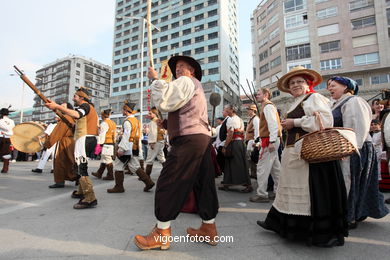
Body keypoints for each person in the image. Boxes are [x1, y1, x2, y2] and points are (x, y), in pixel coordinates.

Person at [134, 55, 219, 250]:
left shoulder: (186, 81)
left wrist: (155, 80)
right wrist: (164, 123)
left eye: (183, 66)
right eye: (177, 68)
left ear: (193, 71)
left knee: (169, 181)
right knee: (203, 183)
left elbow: (165, 101)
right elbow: (180, 111)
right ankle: (209, 228)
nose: (178, 70)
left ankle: (161, 233)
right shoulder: (193, 85)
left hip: (189, 139)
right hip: (200, 138)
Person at [258, 66, 348, 247]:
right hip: (294, 152)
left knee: (307, 192)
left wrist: (295, 122)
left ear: (308, 84)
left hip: (309, 154)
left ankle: (311, 232)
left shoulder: (314, 98)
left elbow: (325, 121)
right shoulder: (294, 102)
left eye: (300, 81)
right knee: (290, 189)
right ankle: (282, 225)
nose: (296, 85)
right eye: (292, 83)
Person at [327, 76, 389, 228]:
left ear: (347, 87)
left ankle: (350, 217)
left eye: (333, 85)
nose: (330, 88)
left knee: (350, 181)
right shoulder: (336, 104)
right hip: (343, 148)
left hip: (355, 147)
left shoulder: (353, 101)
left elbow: (356, 129)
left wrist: (349, 149)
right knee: (345, 181)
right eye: (329, 85)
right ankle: (351, 213)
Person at [45, 87, 98, 209]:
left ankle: (90, 198)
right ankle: (81, 191)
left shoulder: (85, 106)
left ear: (82, 98)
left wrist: (57, 106)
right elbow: (78, 120)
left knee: (81, 167)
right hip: (86, 138)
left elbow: (76, 114)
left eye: (75, 96)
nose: (73, 98)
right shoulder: (90, 108)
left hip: (84, 139)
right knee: (80, 165)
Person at [107, 101, 154, 193]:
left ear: (126, 110)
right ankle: (148, 182)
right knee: (134, 166)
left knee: (118, 165)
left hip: (127, 147)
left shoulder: (127, 121)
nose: (122, 111)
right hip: (133, 147)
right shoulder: (136, 120)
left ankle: (119, 187)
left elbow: (126, 136)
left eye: (123, 109)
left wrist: (121, 149)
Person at [250, 88, 282, 203]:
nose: (256, 96)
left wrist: (272, 141)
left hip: (269, 140)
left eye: (258, 94)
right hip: (271, 139)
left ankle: (262, 194)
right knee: (276, 169)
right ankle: (278, 192)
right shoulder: (268, 106)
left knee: (262, 168)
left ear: (266, 95)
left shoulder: (268, 107)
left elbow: (273, 124)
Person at [219, 104, 253, 193]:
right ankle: (227, 183)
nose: (225, 110)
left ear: (231, 110)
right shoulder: (239, 119)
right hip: (239, 143)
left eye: (226, 109)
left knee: (236, 163)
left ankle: (246, 184)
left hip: (234, 143)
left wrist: (225, 146)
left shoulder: (231, 119)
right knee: (235, 163)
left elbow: (230, 134)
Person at [42, 103, 77, 188]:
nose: (60, 108)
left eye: (63, 107)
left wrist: (47, 144)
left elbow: (57, 133)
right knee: (72, 161)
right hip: (72, 141)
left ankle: (60, 181)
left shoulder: (65, 119)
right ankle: (78, 178)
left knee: (60, 161)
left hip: (64, 142)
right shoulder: (74, 118)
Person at [92, 109, 117, 180]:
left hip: (106, 143)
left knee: (107, 159)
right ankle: (99, 173)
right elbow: (115, 135)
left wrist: (98, 145)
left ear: (103, 115)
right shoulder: (113, 123)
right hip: (111, 142)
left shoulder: (104, 123)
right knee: (104, 158)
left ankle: (110, 175)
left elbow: (102, 135)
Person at [144, 107, 166, 177]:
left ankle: (146, 177)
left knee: (150, 159)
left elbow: (153, 133)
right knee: (161, 158)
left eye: (150, 113)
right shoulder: (159, 120)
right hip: (160, 141)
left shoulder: (153, 122)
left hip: (155, 142)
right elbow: (164, 131)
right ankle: (169, 173)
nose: (149, 114)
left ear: (155, 114)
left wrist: (152, 143)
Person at [244, 104, 260, 179]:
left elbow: (257, 131)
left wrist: (256, 142)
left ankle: (255, 174)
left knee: (253, 157)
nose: (247, 111)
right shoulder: (251, 119)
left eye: (249, 109)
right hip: (249, 141)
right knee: (251, 158)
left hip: (252, 141)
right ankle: (253, 173)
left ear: (253, 110)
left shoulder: (255, 119)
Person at [0, 106, 15, 173]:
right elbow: (13, 129)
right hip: (9, 138)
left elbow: (6, 128)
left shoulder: (1, 120)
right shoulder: (12, 121)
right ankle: (5, 169)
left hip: (1, 137)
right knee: (6, 154)